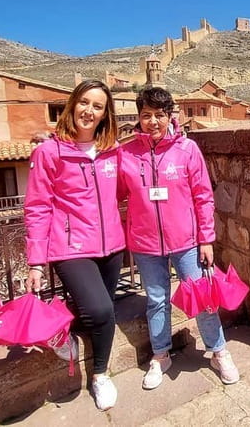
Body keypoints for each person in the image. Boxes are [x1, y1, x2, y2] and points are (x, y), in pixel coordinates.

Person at [118, 87, 239, 390]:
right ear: (139, 117)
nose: (153, 122)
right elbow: (114, 195)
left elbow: (203, 197)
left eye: (159, 115)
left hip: (186, 241)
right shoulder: (126, 154)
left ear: (170, 116)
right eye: (146, 115)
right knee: (157, 300)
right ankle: (161, 356)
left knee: (203, 298)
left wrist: (206, 239)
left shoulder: (187, 150)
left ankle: (219, 351)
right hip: (146, 244)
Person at [24, 79, 125, 411]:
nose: (89, 111)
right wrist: (36, 261)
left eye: (98, 106)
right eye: (84, 102)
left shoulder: (113, 151)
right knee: (100, 310)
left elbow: (128, 184)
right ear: (72, 105)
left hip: (112, 246)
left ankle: (65, 333)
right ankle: (100, 375)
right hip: (70, 248)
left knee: (98, 310)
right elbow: (37, 207)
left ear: (105, 114)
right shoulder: (49, 152)